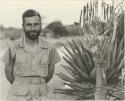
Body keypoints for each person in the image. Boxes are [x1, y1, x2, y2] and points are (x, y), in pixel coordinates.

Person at [1, 9, 61, 101]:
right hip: (17, 96)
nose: (33, 28)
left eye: (36, 24)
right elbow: (8, 73)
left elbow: (50, 72)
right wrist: (20, 85)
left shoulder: (50, 48)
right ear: (23, 26)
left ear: (40, 25)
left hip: (42, 95)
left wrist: (38, 84)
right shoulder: (13, 47)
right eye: (29, 25)